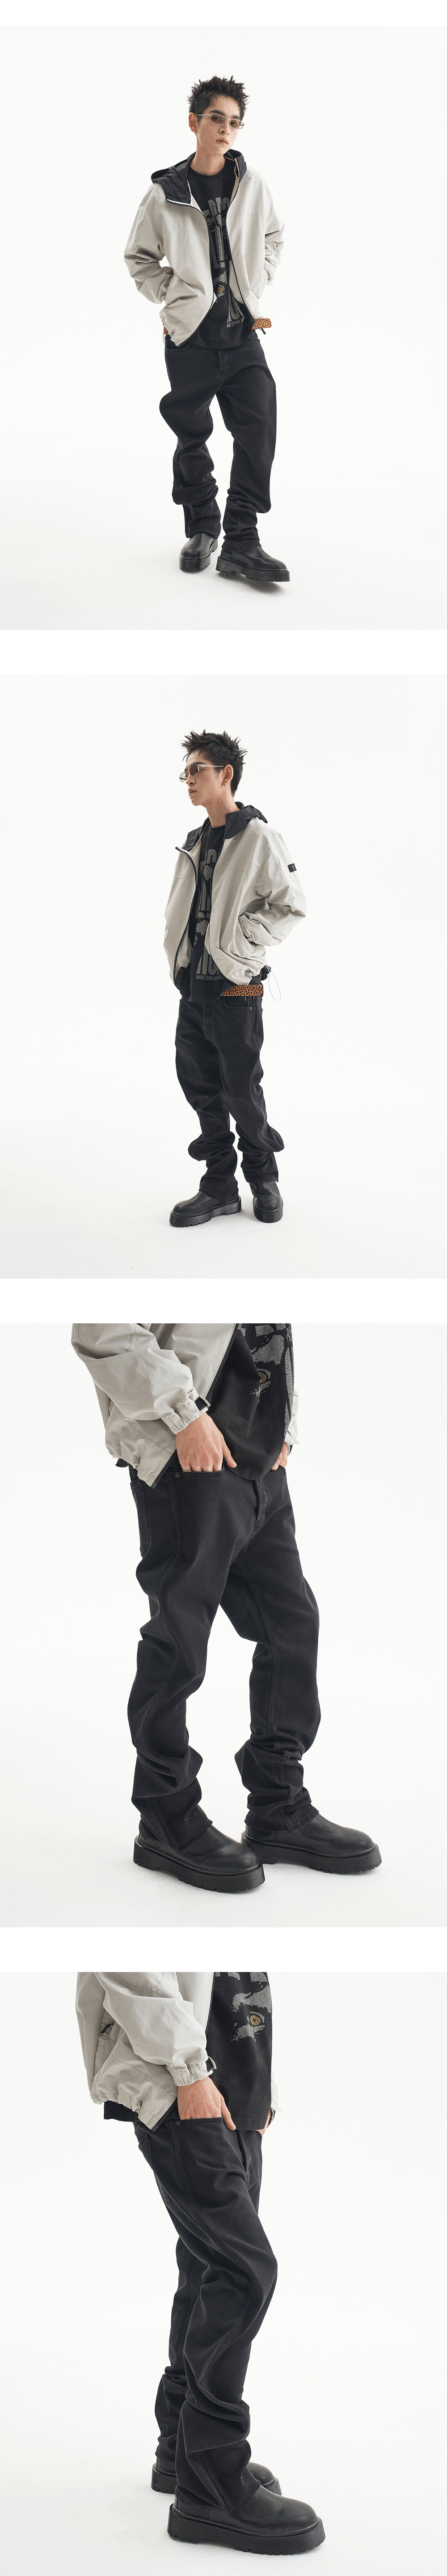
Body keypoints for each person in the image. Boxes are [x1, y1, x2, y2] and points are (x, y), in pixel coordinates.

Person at [72, 1319, 380, 1893]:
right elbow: (102, 1326)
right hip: (189, 1456)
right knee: (180, 1643)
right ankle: (165, 1813)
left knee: (292, 1625)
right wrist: (184, 1416)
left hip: (260, 1458)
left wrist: (283, 1424)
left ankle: (278, 1806)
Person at [76, 1966, 325, 2552]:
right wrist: (190, 2070)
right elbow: (128, 1960)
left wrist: (260, 2086)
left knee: (208, 2264)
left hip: (233, 2088)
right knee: (245, 2271)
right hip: (182, 2078)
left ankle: (181, 2447)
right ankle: (210, 2476)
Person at [125, 74, 289, 591]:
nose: (226, 129)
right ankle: (202, 527)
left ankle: (241, 539)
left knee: (258, 426)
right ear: (194, 122)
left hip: (242, 333)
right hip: (190, 338)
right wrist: (174, 297)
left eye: (234, 122)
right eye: (217, 118)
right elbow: (139, 258)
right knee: (191, 433)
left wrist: (256, 282)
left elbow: (274, 236)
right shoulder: (165, 193)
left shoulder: (252, 184)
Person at [164, 727, 304, 1226]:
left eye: (196, 770)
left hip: (238, 985)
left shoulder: (259, 837)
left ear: (226, 774)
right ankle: (219, 1186)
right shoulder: (194, 842)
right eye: (184, 773)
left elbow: (290, 904)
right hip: (193, 987)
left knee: (242, 1088)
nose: (188, 780)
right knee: (201, 1087)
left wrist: (242, 942)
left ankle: (264, 1180)